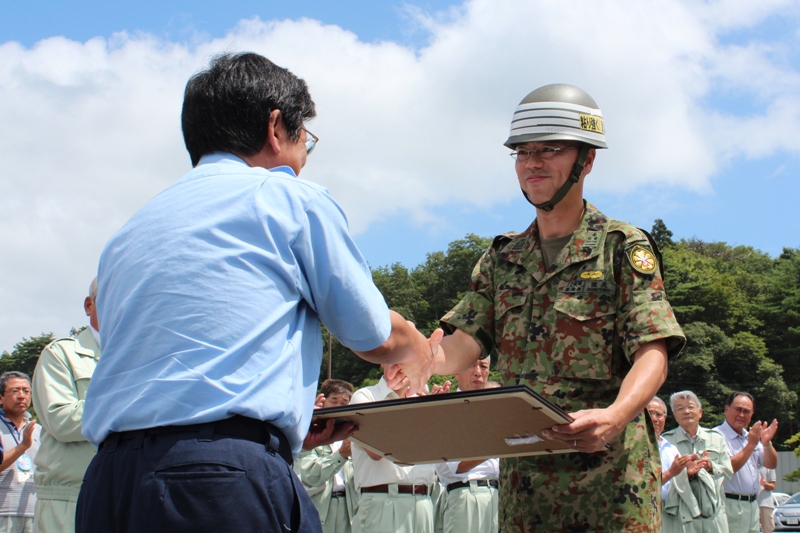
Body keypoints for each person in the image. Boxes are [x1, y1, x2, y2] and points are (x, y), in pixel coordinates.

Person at [76, 52, 440, 533]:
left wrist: (277, 427)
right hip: (217, 482)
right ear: (276, 127)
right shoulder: (286, 198)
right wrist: (419, 350)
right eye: (305, 137)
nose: (305, 155)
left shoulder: (129, 233)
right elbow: (374, 336)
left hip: (109, 484)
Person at [434, 83, 686, 531]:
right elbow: (462, 344)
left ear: (586, 161)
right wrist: (413, 356)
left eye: (549, 150)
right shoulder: (502, 258)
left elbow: (653, 352)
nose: (532, 163)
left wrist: (614, 416)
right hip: (524, 487)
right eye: (522, 152)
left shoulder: (620, 248)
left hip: (611, 483)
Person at [31, 278, 101, 533]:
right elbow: (60, 419)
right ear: (89, 305)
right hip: (69, 498)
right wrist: (127, 403)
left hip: (126, 489)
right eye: (113, 296)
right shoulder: (61, 354)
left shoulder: (140, 355)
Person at [350, 368, 439, 533]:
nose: (402, 365)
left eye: (408, 357)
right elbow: (376, 451)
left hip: (423, 503)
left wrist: (436, 413)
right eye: (396, 356)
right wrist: (420, 415)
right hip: (383, 503)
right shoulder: (365, 397)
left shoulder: (423, 402)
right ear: (383, 361)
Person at [435, 357, 499, 533]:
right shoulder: (446, 410)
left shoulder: (497, 411)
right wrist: (502, 445)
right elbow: (458, 465)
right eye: (472, 365)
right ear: (456, 371)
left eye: (484, 366)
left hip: (499, 496)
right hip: (467, 495)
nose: (478, 371)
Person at [662, 391, 733, 533]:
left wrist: (710, 466)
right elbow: (662, 479)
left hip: (714, 511)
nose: (686, 411)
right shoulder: (666, 442)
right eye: (680, 409)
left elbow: (728, 472)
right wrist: (686, 474)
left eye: (690, 407)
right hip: (681, 514)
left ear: (700, 412)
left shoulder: (716, 438)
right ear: (675, 416)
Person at [295, 380, 358, 533]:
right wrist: (341, 455)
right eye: (334, 400)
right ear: (322, 401)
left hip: (349, 508)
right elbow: (311, 475)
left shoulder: (355, 434)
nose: (338, 406)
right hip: (321, 507)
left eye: (344, 402)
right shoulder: (311, 433)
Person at [715, 392, 778, 533]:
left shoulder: (750, 437)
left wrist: (766, 443)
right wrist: (751, 445)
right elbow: (727, 469)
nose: (742, 415)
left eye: (747, 411)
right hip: (729, 504)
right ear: (726, 409)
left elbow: (771, 464)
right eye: (738, 409)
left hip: (752, 504)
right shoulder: (716, 436)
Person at [0, 371, 41, 533]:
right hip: (4, 512)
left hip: (34, 511)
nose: (21, 395)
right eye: (15, 390)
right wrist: (23, 446)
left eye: (26, 391)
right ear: (1, 397)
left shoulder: (40, 430)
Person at [647, 396, 693, 505]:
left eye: (659, 415)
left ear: (665, 418)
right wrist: (670, 473)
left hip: (671, 510)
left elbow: (679, 482)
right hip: (646, 510)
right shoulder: (635, 447)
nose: (654, 419)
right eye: (649, 414)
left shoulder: (670, 448)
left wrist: (689, 473)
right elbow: (641, 486)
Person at [757, 466, 776, 533]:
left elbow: (772, 486)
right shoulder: (749, 463)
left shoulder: (769, 466)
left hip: (765, 503)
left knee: (768, 530)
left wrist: (765, 484)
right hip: (750, 502)